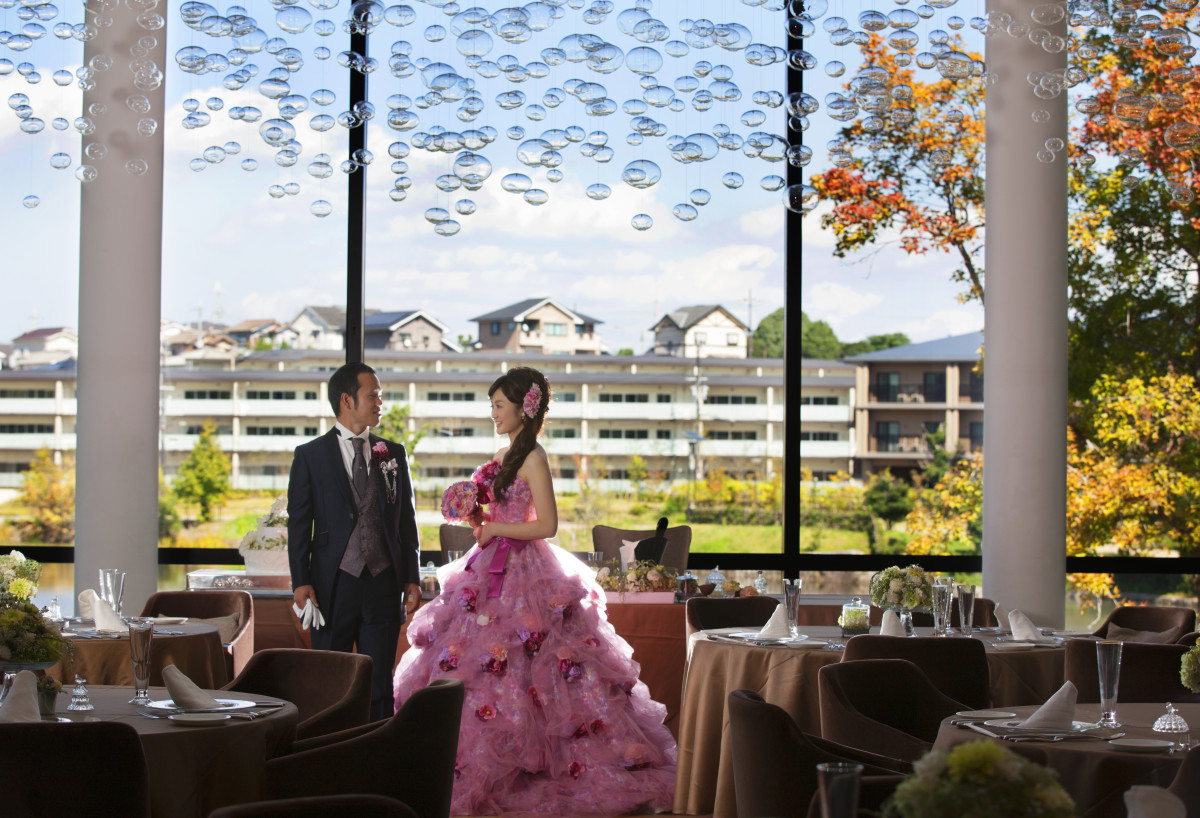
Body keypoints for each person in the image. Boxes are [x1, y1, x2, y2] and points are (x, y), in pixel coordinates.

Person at [393, 366, 676, 815]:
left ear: (525, 408)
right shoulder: (506, 455)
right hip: (492, 566)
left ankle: (535, 763)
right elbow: (501, 518)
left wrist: (496, 528)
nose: (493, 414)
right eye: (491, 406)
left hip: (526, 572)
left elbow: (547, 524)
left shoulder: (533, 458)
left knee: (534, 659)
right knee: (481, 662)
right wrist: (478, 521)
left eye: (499, 405)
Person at [288, 362, 422, 721]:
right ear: (347, 400)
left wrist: (412, 576)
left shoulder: (392, 454)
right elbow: (299, 526)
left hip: (383, 582)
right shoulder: (310, 456)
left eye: (380, 395)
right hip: (332, 585)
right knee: (329, 678)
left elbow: (405, 520)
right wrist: (300, 581)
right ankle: (327, 753)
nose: (380, 402)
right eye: (373, 394)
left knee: (380, 680)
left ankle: (377, 755)